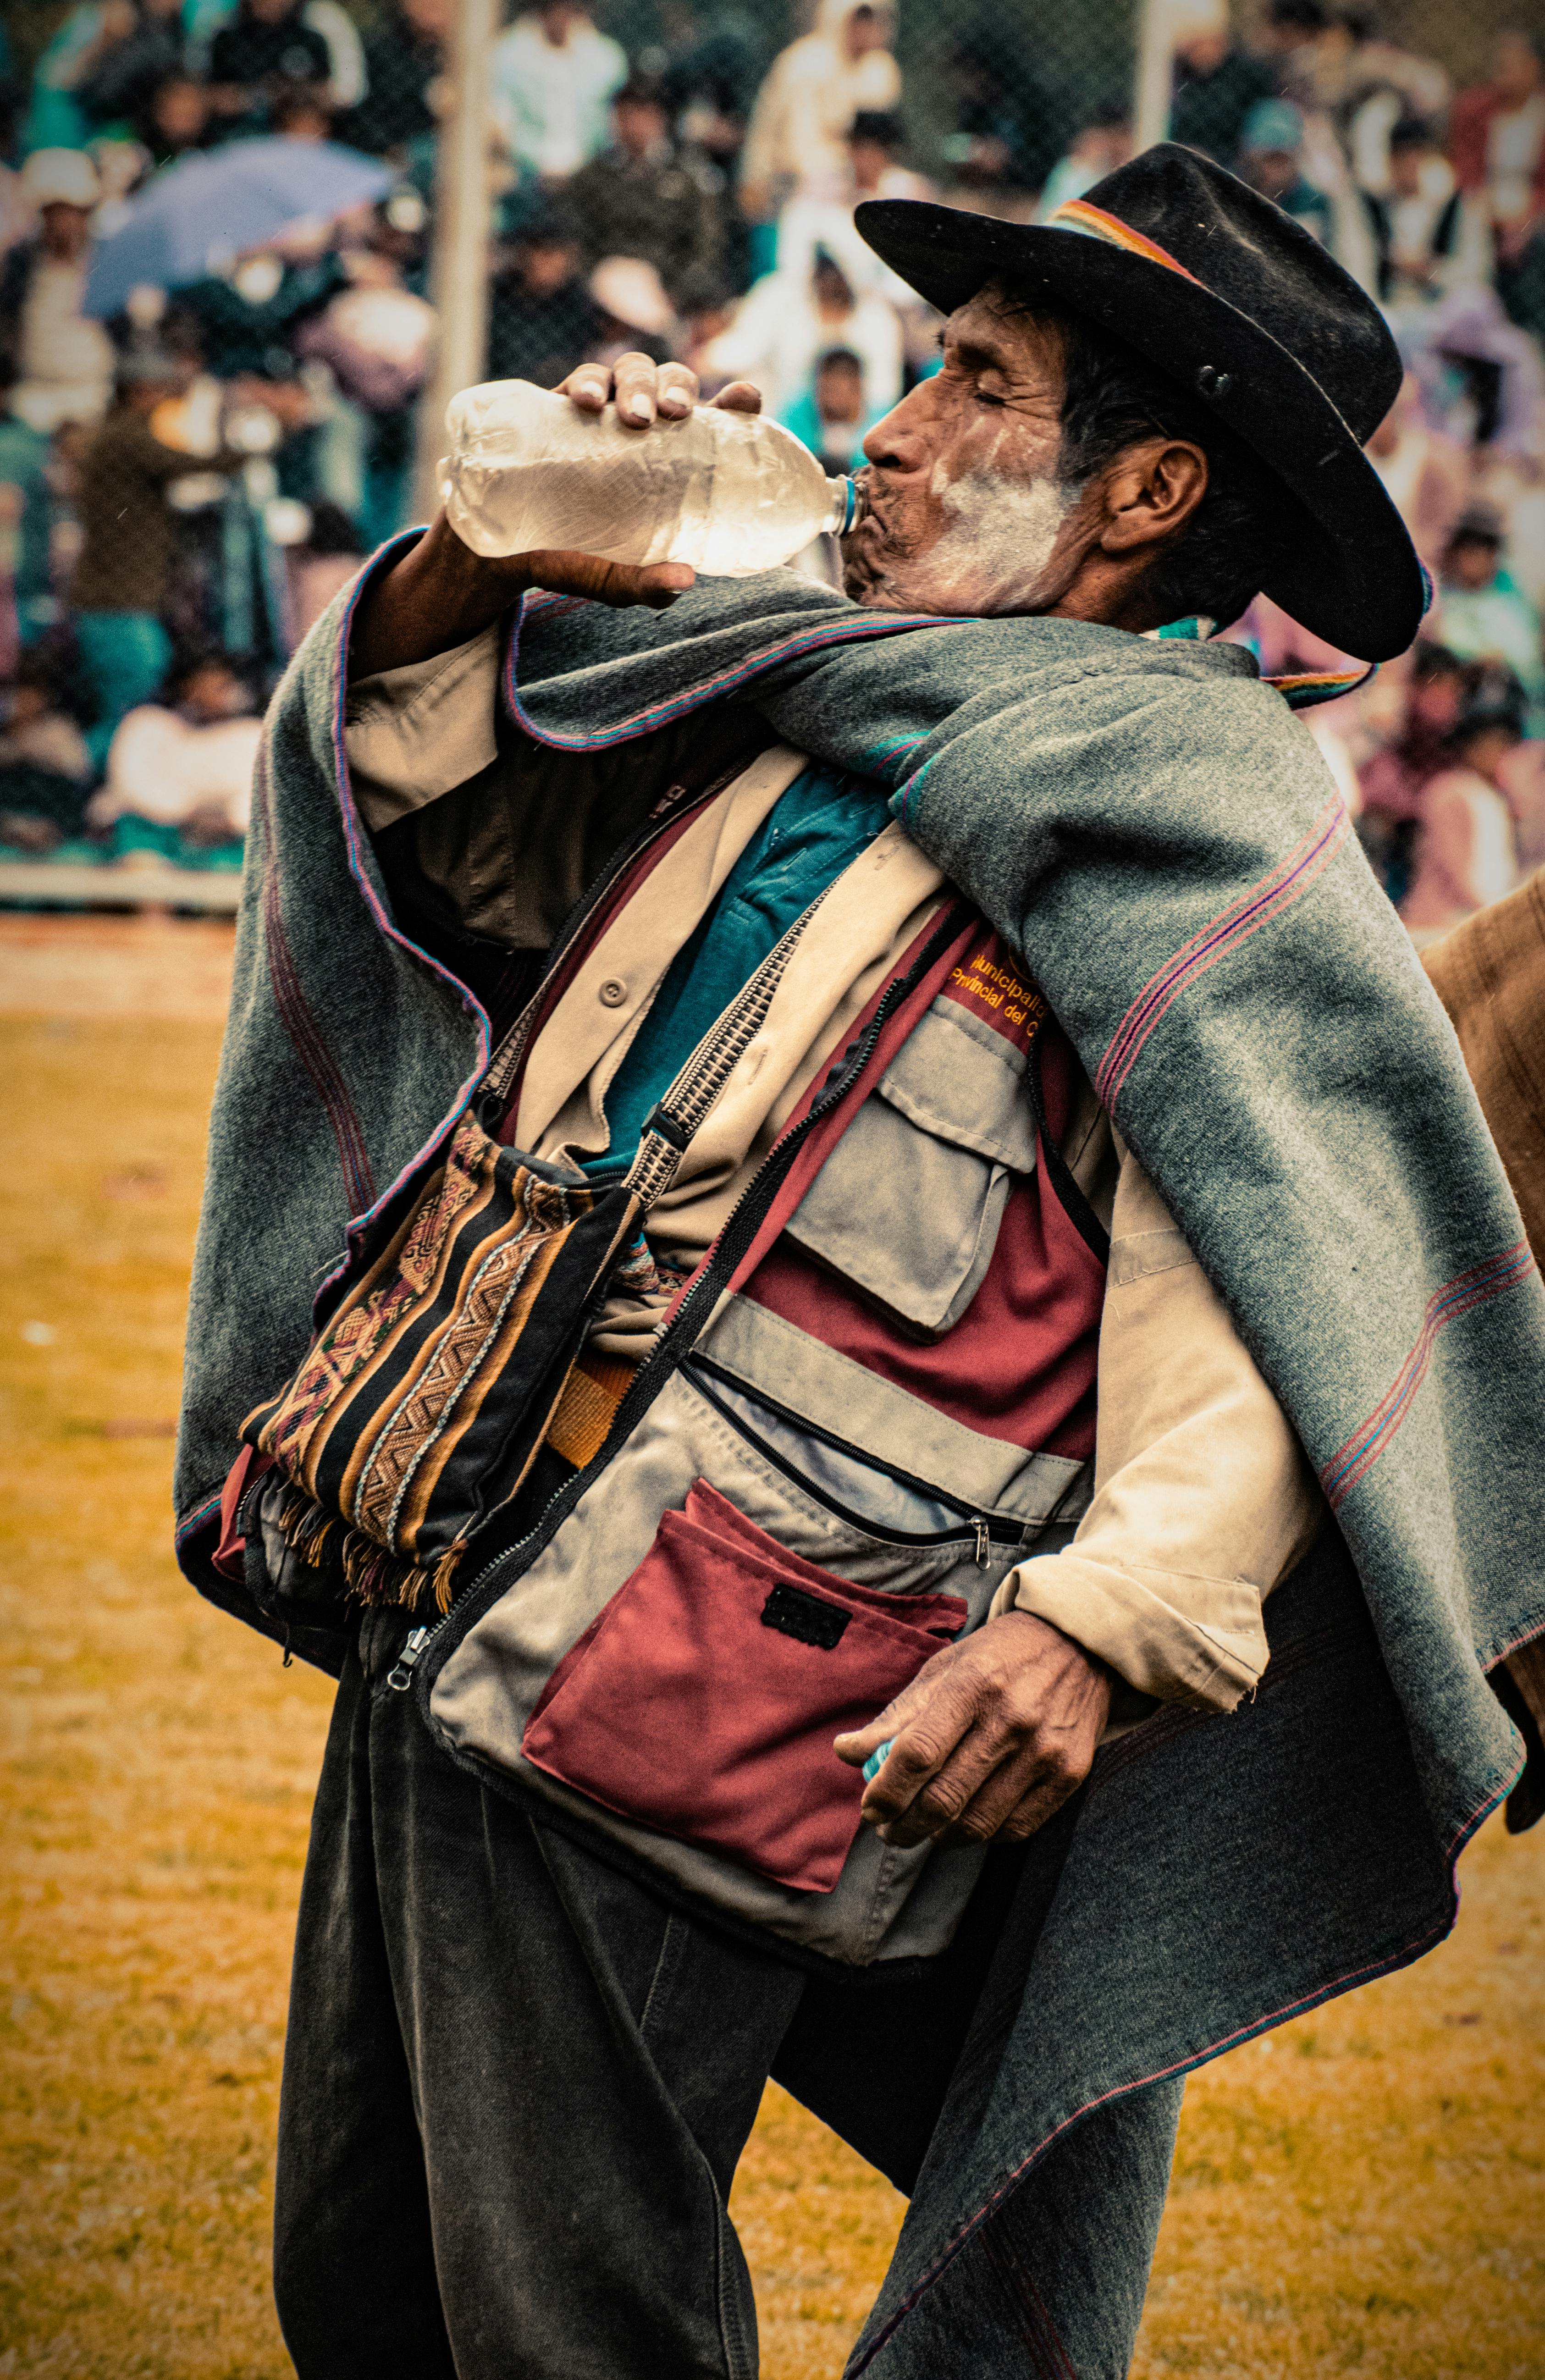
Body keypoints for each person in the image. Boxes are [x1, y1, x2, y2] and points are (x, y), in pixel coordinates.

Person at [179, 147, 1545, 2378]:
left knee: (566, 2325)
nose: (891, 427)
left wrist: (1108, 1626)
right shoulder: (811, 686)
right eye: (921, 371)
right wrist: (484, 562)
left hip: (708, 1646)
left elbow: (1272, 1277)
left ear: (1145, 491)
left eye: (974, 385)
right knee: (367, 2284)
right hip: (461, 1535)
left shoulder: (1197, 813)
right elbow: (444, 828)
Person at [67, 349, 250, 769]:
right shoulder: (128, 436)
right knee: (132, 704)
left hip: (112, 598)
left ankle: (90, 783)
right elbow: (193, 464)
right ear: (138, 391)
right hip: (118, 600)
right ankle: (86, 779)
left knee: (128, 702)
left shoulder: (113, 434)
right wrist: (246, 447)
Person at [88, 648, 260, 863]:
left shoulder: (250, 735)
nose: (222, 695)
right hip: (149, 831)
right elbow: (133, 788)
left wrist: (232, 823)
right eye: (212, 686)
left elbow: (255, 795)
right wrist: (189, 815)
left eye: (226, 686)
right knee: (143, 866)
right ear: (187, 687)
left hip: (221, 841)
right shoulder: (146, 724)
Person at [739, 0, 899, 226]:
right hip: (786, 180)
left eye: (876, 20)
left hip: (854, 180)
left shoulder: (882, 71)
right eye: (861, 19)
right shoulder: (805, 63)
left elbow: (882, 145)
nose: (869, 29)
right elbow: (797, 149)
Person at [566, 74, 724, 304]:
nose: (634, 125)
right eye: (626, 115)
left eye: (644, 114)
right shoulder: (591, 178)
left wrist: (677, 292)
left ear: (660, 119)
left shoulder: (689, 177)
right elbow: (575, 241)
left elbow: (707, 244)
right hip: (603, 292)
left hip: (668, 291)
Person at [1400, 671, 1526, 944]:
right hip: (1442, 919)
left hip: (1482, 914)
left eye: (1504, 746)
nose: (1498, 755)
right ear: (1469, 747)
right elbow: (1455, 864)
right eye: (1490, 745)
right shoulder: (1449, 789)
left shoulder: (1496, 798)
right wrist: (1494, 911)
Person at [0, 149, 116, 439]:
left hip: (95, 398)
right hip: (32, 398)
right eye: (56, 212)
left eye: (76, 212)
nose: (66, 223)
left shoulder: (107, 260)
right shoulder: (23, 263)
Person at [490, 0, 628, 185]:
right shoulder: (506, 54)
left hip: (591, 174)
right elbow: (500, 121)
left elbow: (614, 126)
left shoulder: (607, 58)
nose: (560, 16)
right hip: (525, 173)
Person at [1433, 502, 1545, 728]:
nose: (1475, 558)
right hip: (1457, 711)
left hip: (1514, 711)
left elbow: (1528, 662)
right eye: (1468, 548)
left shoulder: (1513, 599)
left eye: (1485, 549)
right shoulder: (1440, 598)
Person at [485, 205, 609, 389]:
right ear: (524, 253)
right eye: (543, 252)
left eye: (560, 253)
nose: (550, 261)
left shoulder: (580, 304)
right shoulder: (496, 296)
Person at [1166, 0, 1278, 170]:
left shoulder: (1248, 74)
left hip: (1234, 164)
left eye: (1209, 41)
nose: (1203, 51)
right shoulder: (1174, 76)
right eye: (1196, 44)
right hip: (1183, 160)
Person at [1236, 97, 1333, 240]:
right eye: (1270, 159)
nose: (1277, 169)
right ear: (1251, 159)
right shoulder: (1232, 191)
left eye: (1283, 159)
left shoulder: (1312, 202)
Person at [778, 343, 880, 472]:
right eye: (827, 390)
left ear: (858, 388)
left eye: (838, 390)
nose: (833, 400)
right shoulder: (795, 415)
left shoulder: (881, 424)